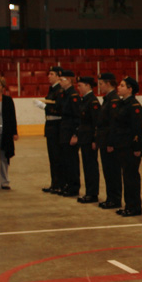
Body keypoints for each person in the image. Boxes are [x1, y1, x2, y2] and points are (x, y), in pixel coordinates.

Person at [108, 77, 142, 217]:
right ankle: (129, 204)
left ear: (130, 89)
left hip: (130, 146)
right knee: (127, 176)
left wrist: (136, 148)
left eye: (122, 85)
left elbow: (136, 130)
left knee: (131, 177)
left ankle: (134, 206)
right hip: (122, 145)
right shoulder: (122, 104)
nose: (119, 87)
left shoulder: (134, 106)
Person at [35, 66, 64, 194]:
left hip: (56, 125)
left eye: (52, 74)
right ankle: (55, 183)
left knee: (57, 157)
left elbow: (58, 107)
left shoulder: (60, 90)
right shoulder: (52, 89)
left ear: (58, 76)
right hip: (51, 125)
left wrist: (44, 107)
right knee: (53, 157)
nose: (49, 76)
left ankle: (59, 183)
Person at [96, 73, 122, 210]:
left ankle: (115, 198)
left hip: (109, 141)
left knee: (113, 171)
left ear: (108, 83)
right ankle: (110, 197)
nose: (99, 86)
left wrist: (111, 143)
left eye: (101, 83)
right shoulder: (108, 99)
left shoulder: (113, 100)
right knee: (108, 170)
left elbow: (114, 123)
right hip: (104, 140)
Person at [75, 76, 101, 204]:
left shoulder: (92, 101)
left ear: (88, 86)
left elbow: (96, 123)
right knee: (86, 166)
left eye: (80, 85)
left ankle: (93, 193)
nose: (78, 88)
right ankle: (89, 191)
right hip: (84, 138)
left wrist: (95, 140)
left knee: (91, 166)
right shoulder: (84, 100)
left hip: (89, 139)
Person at [57, 69, 81, 197]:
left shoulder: (73, 96)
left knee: (72, 161)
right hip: (64, 131)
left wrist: (76, 134)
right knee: (66, 160)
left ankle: (74, 186)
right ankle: (68, 184)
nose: (60, 82)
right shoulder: (65, 94)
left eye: (62, 79)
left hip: (70, 132)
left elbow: (77, 117)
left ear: (70, 80)